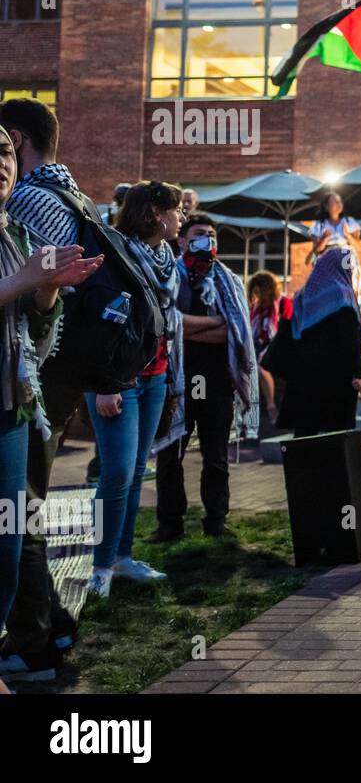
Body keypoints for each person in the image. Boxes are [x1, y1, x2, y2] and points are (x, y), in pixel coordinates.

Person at [1, 97, 105, 680]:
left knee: (21, 514)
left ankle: (33, 640)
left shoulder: (27, 203)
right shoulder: (75, 196)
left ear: (16, 141)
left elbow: (33, 306)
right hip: (47, 378)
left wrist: (38, 287)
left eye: (2, 147)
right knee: (22, 511)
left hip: (35, 379)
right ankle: (52, 622)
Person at [85, 182, 186, 597]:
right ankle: (101, 568)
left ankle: (123, 559)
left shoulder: (165, 256)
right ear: (157, 214)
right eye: (177, 211)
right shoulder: (117, 250)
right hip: (117, 380)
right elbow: (102, 318)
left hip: (155, 375)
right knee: (117, 472)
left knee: (136, 471)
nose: (183, 218)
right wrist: (105, 384)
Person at [150, 214, 260, 542]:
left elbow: (235, 332)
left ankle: (216, 521)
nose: (207, 240)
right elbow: (164, 323)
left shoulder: (227, 280)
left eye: (211, 235)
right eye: (199, 234)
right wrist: (212, 323)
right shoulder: (168, 276)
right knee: (170, 455)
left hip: (216, 383)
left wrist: (184, 326)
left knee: (216, 457)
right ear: (182, 240)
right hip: (175, 382)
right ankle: (170, 525)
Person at [262, 247, 361, 438]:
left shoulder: (303, 295)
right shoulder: (342, 294)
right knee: (337, 439)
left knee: (304, 438)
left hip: (303, 381)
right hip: (336, 381)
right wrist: (357, 373)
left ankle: (305, 469)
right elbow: (350, 339)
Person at [248, 270, 292, 424]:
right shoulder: (257, 308)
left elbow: (286, 329)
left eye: (259, 292)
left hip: (277, 345)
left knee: (261, 366)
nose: (257, 296)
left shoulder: (283, 303)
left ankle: (271, 405)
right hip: (259, 344)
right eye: (254, 292)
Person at [307, 191, 360, 263]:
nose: (339, 204)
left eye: (340, 201)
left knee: (345, 274)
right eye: (335, 201)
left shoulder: (349, 221)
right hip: (327, 259)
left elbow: (357, 246)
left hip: (345, 257)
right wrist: (324, 239)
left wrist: (348, 235)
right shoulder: (319, 225)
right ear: (326, 206)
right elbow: (316, 250)